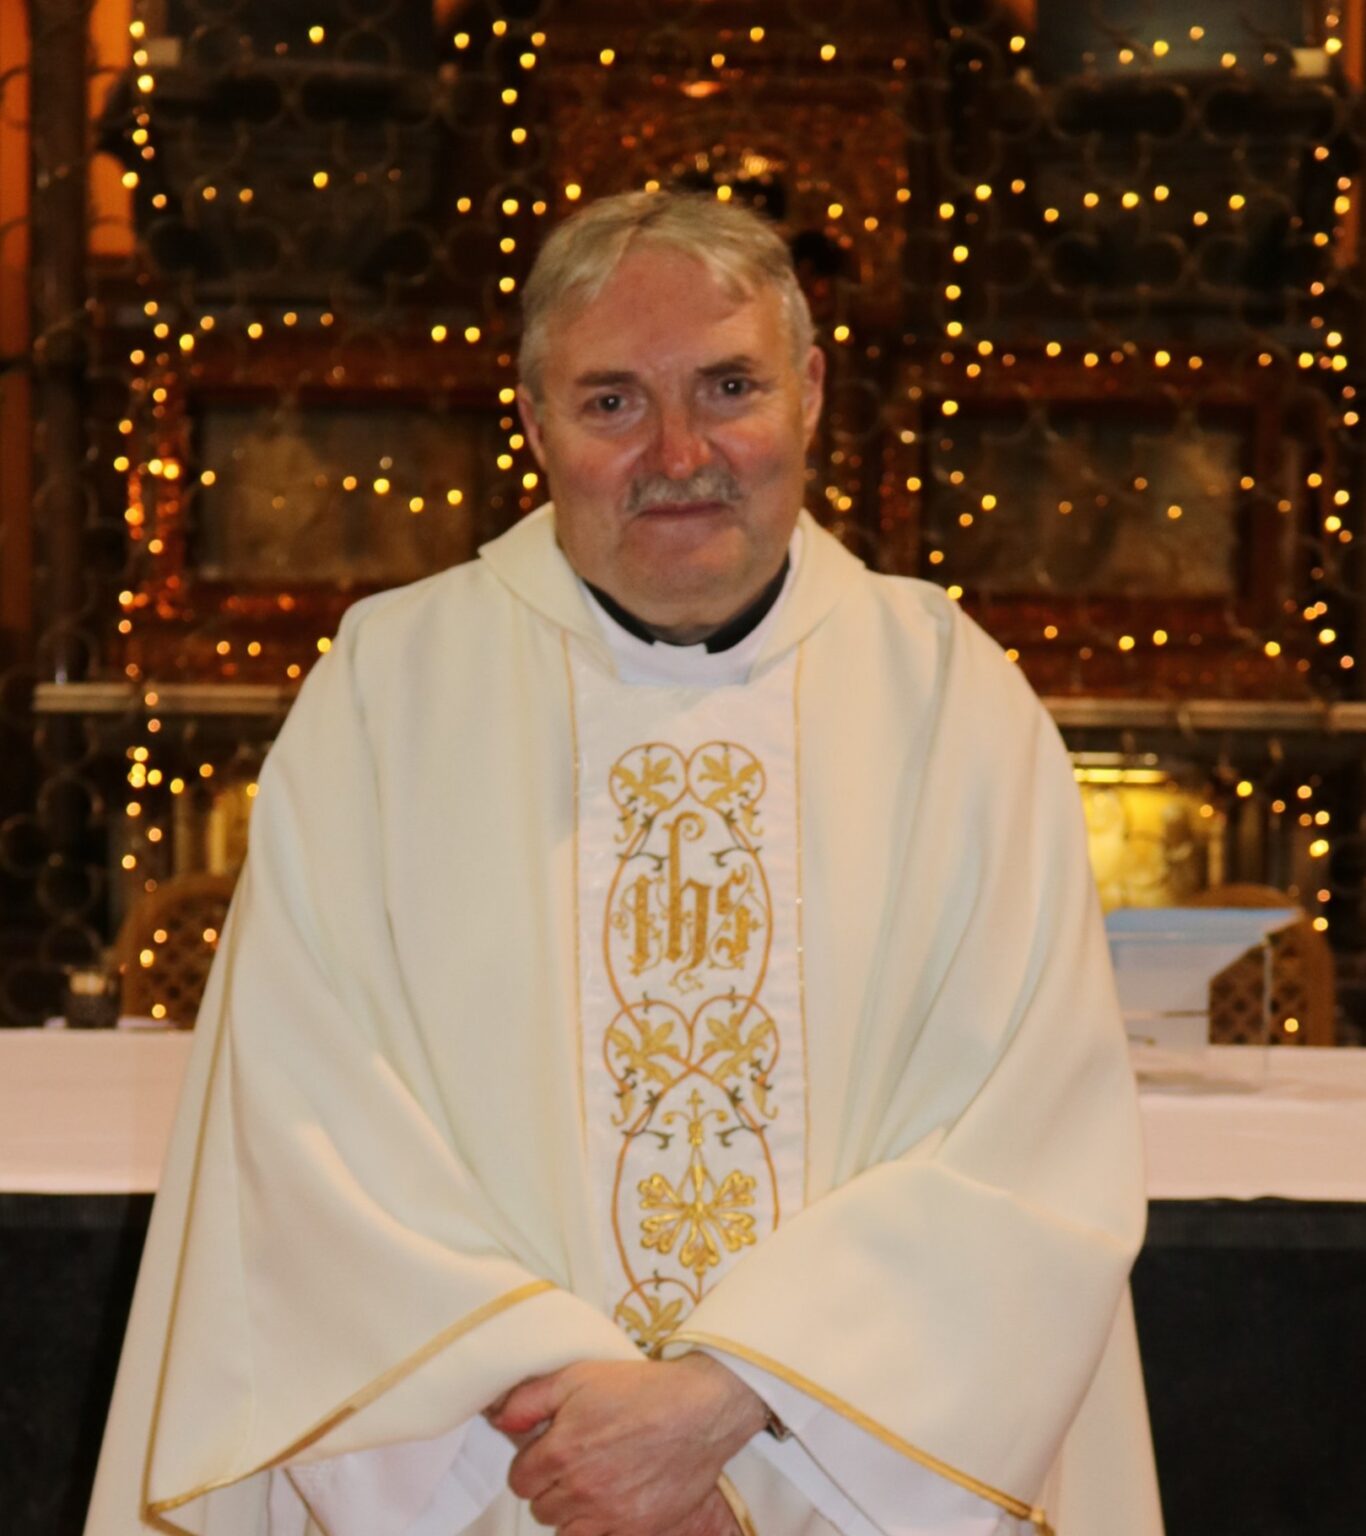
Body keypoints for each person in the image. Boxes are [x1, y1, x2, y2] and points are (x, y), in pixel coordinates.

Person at [85, 191, 1163, 1536]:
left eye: (728, 386)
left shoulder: (951, 696)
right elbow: (308, 1121)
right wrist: (579, 1445)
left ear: (811, 391)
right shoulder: (391, 689)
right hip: (501, 1484)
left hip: (852, 1480)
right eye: (611, 402)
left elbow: (1027, 1134)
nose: (679, 451)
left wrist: (724, 1403)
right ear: (533, 420)